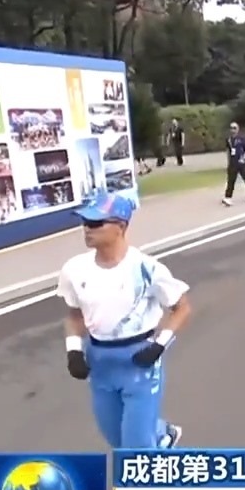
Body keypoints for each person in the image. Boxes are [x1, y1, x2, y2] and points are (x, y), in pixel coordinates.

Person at [57, 191, 189, 449]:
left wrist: (159, 345)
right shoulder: (74, 269)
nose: (87, 229)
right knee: (117, 441)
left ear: (120, 227)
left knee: (136, 449)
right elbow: (75, 315)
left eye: (95, 223)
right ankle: (163, 434)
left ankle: (157, 456)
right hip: (100, 363)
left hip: (139, 362)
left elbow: (182, 307)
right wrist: (73, 351)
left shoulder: (147, 269)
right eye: (84, 222)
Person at [222, 122, 245, 206]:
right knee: (231, 180)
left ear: (238, 129)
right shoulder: (229, 140)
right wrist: (228, 162)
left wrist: (244, 159)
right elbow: (228, 152)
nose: (233, 130)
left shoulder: (242, 139)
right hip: (233, 163)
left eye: (234, 128)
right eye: (231, 128)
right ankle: (228, 197)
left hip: (241, 162)